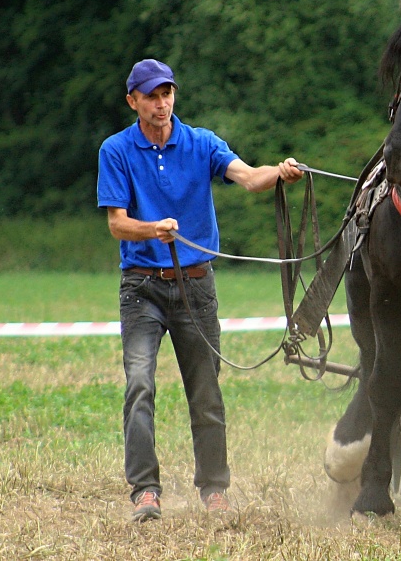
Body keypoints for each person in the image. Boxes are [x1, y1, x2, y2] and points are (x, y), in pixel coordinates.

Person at [97, 59, 303, 522]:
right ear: (133, 101)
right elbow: (116, 225)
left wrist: (281, 171)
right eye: (151, 95)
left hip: (196, 288)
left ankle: (214, 490)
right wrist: (154, 229)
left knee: (207, 393)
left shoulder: (201, 142)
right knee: (139, 386)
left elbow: (249, 178)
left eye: (167, 92)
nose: (161, 102)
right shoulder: (115, 151)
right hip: (142, 290)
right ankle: (146, 492)